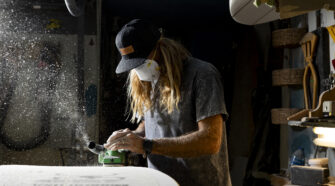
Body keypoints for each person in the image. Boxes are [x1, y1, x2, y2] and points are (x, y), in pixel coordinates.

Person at [104, 19, 232, 186]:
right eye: (133, 64)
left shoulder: (202, 75)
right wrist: (132, 137)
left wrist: (147, 145)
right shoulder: (148, 81)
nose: (138, 69)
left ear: (160, 47)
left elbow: (211, 140)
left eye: (141, 61)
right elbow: (150, 123)